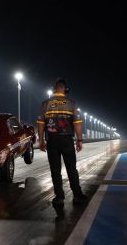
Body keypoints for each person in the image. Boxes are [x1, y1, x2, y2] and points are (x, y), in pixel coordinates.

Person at [37, 78, 87, 211]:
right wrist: (80, 140)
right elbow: (77, 124)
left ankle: (59, 198)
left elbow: (41, 124)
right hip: (67, 141)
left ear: (54, 89)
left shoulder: (45, 104)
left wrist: (41, 141)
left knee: (55, 170)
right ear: (65, 89)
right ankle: (77, 195)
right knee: (71, 169)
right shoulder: (71, 103)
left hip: (52, 141)